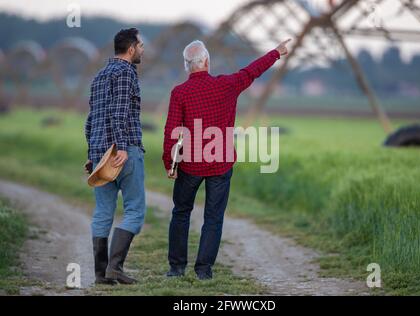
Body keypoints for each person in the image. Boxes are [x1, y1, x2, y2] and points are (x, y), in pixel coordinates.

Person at [162, 39, 290, 280]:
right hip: (220, 163)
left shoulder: (179, 92)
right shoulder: (227, 85)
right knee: (213, 218)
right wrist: (276, 53)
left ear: (186, 66)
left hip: (190, 164)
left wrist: (170, 163)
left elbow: (172, 130)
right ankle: (203, 271)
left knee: (181, 213)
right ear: (207, 62)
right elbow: (251, 72)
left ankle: (176, 269)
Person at [84, 28, 146, 285]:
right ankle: (115, 267)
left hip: (100, 153)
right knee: (135, 210)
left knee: (103, 211)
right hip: (124, 151)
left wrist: (92, 154)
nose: (143, 49)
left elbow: (91, 121)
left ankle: (101, 273)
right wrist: (122, 147)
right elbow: (119, 113)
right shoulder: (125, 73)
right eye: (140, 45)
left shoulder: (99, 76)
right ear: (131, 48)